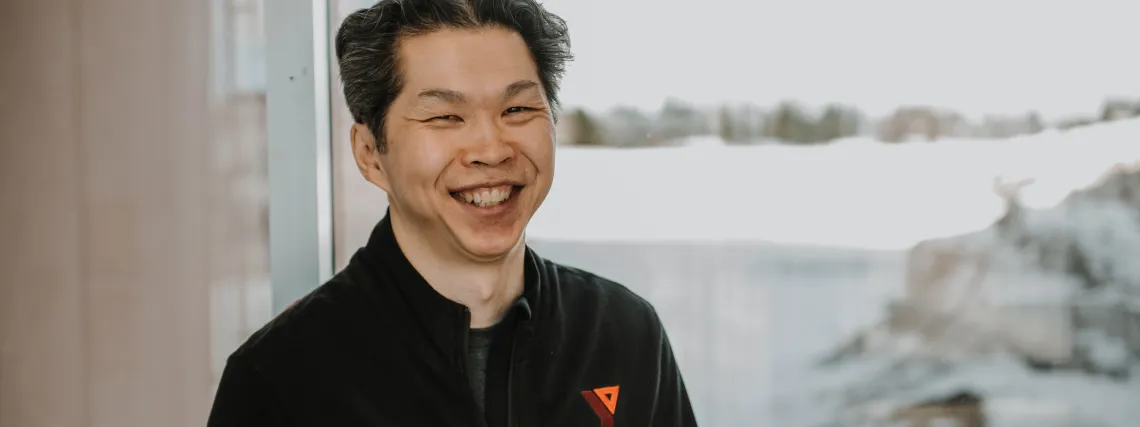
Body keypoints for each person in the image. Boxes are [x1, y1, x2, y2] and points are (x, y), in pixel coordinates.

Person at [206, 0, 697, 425]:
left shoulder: (624, 333)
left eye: (518, 110)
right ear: (370, 154)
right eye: (446, 117)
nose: (491, 149)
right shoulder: (281, 377)